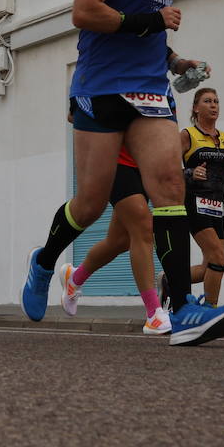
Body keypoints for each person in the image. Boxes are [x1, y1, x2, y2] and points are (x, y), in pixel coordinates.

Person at [20, 0, 224, 347]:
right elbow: (84, 11)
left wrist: (174, 60)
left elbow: (147, 30)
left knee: (169, 187)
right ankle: (44, 263)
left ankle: (180, 310)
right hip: (101, 91)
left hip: (151, 94)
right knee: (91, 204)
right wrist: (152, 23)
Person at [59, 142, 171, 335]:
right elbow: (75, 115)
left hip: (144, 165)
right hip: (116, 161)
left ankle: (74, 278)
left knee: (119, 242)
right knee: (144, 227)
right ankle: (153, 313)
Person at [177, 88, 224, 306]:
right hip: (195, 202)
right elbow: (167, 169)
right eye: (207, 101)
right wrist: (190, 173)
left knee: (211, 265)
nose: (214, 105)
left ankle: (169, 279)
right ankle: (210, 309)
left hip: (217, 205)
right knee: (219, 258)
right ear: (196, 108)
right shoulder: (187, 135)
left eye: (216, 101)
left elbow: (222, 178)